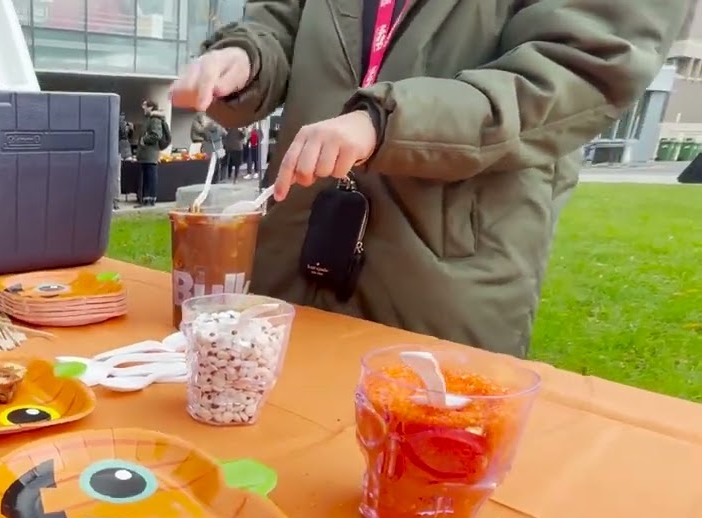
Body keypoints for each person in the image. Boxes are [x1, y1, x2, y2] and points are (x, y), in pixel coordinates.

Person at [170, 0, 688, 357]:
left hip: (443, 271)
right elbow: (282, 22)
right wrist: (245, 57)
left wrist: (389, 121)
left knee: (418, 455)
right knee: (265, 441)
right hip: (295, 244)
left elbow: (581, 68)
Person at [135, 100, 171, 206]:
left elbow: (156, 135)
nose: (143, 108)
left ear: (150, 107)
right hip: (147, 154)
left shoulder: (154, 119)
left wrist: (144, 140)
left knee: (150, 178)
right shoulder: (150, 119)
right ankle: (146, 200)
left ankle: (149, 200)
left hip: (150, 154)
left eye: (145, 106)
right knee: (147, 177)